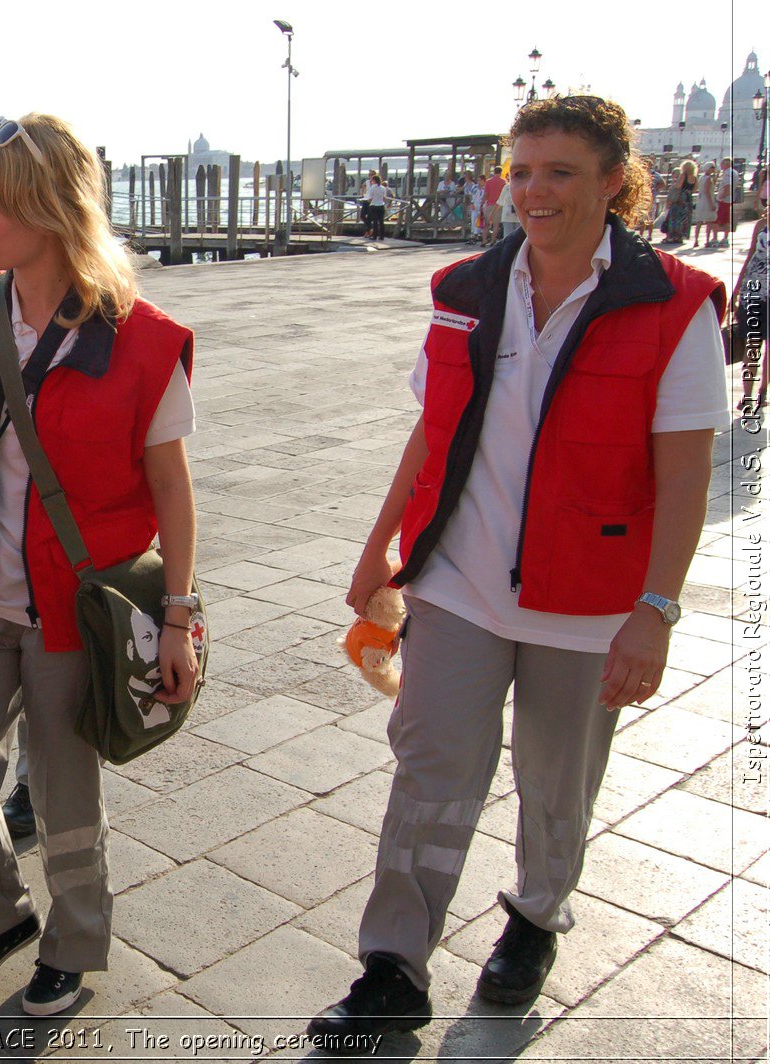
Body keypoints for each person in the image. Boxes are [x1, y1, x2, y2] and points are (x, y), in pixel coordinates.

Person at [307, 95, 728, 1055]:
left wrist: (655, 612)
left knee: (556, 780)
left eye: (560, 172)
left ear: (613, 181)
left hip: (589, 599)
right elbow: (430, 431)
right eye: (521, 170)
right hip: (456, 580)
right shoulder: (465, 289)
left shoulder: (674, 307)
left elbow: (687, 473)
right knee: (430, 768)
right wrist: (379, 548)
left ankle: (536, 917)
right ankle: (391, 967)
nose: (532, 193)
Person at [0, 113, 199, 1017]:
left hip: (77, 609)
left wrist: (183, 618)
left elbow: (174, 491)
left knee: (68, 801)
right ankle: (1, 919)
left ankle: (74, 945)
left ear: (49, 205)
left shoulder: (145, 339)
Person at [731, 200, 768, 414]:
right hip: (753, 288)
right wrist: (737, 289)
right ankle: (754, 394)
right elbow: (751, 254)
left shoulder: (761, 224)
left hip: (754, 287)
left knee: (753, 343)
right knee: (753, 343)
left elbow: (752, 254)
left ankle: (753, 393)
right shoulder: (761, 224)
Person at [693, 161, 718, 248]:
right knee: (709, 222)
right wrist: (711, 204)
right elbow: (707, 191)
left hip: (700, 200)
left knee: (699, 222)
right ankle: (707, 240)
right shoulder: (708, 179)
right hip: (707, 201)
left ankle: (696, 240)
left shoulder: (701, 177)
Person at [716, 158, 739, 246]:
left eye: (721, 164)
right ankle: (725, 237)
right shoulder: (735, 172)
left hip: (724, 199)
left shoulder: (727, 173)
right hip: (730, 199)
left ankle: (718, 238)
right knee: (727, 219)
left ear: (725, 164)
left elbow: (727, 186)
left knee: (720, 220)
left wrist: (721, 196)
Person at [483, 166, 506, 246]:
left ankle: (484, 241)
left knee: (486, 224)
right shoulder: (503, 182)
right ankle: (492, 241)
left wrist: (482, 203)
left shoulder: (488, 182)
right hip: (499, 205)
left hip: (489, 204)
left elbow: (485, 194)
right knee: (496, 225)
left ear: (494, 172)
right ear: (501, 172)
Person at [364, 173, 388, 241]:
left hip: (374, 205)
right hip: (381, 205)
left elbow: (370, 198)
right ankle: (382, 236)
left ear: (374, 180)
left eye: (372, 180)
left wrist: (368, 201)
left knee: (375, 221)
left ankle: (375, 236)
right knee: (381, 221)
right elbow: (384, 198)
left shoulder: (372, 188)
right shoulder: (383, 188)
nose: (371, 181)